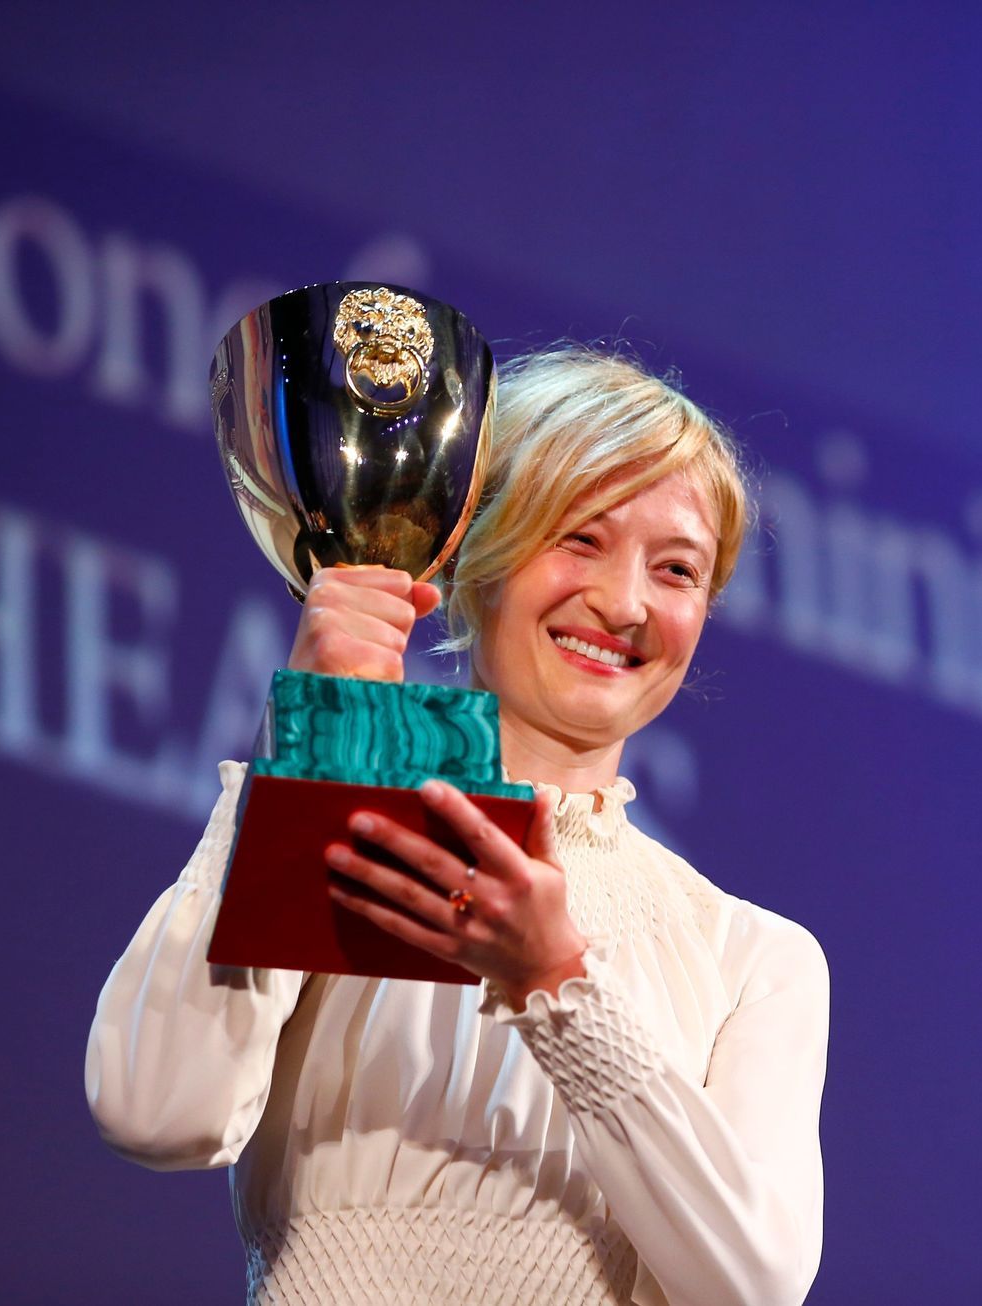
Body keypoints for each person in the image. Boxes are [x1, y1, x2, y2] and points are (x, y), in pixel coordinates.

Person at [86, 347, 829, 1305]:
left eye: (677, 569)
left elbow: (752, 1284)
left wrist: (557, 988)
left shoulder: (749, 956)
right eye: (578, 539)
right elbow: (155, 1112)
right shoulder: (354, 830)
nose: (626, 602)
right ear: (473, 554)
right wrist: (301, 759)